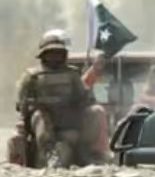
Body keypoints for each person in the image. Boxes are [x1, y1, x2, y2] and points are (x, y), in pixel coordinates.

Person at [14, 34, 107, 167]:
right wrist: (35, 106)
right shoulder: (32, 76)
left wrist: (78, 103)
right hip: (44, 121)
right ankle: (50, 154)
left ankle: (88, 152)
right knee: (40, 116)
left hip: (70, 119)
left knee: (96, 111)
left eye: (58, 53)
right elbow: (22, 105)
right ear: (43, 55)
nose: (55, 57)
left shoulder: (73, 74)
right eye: (51, 53)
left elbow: (86, 97)